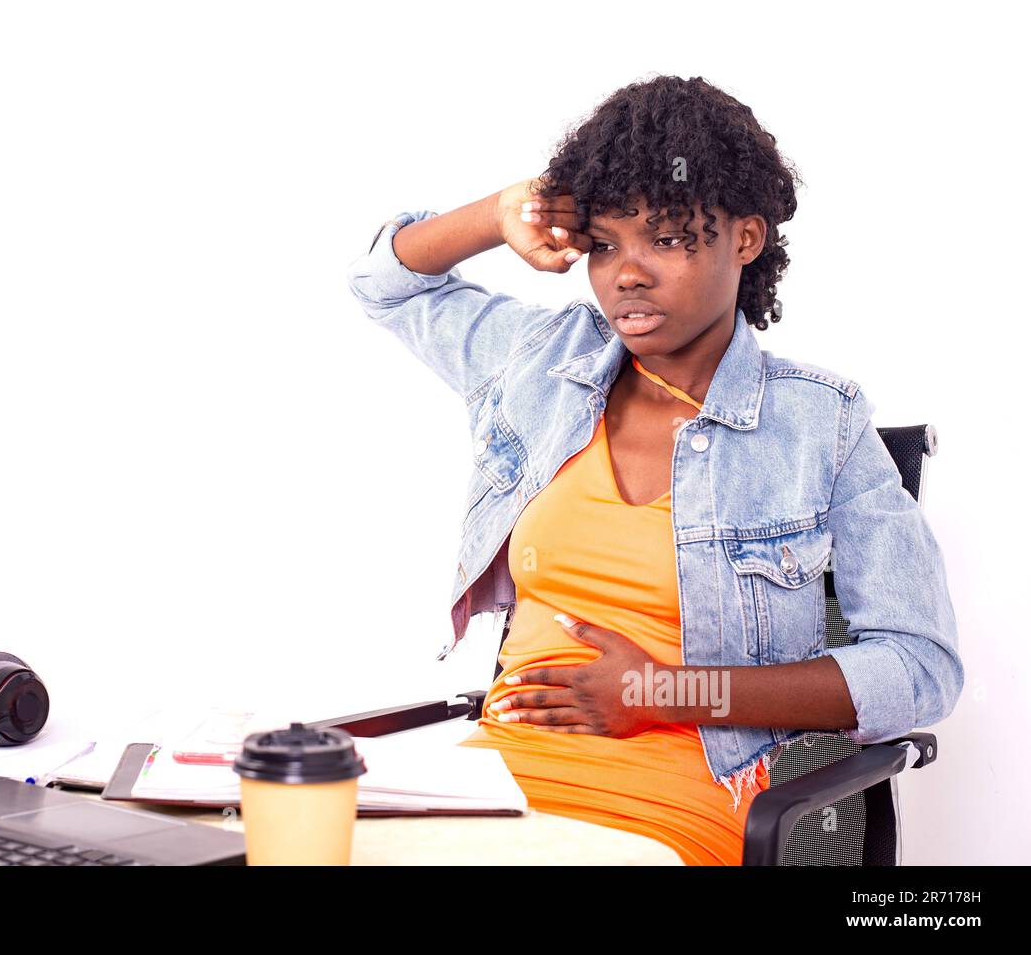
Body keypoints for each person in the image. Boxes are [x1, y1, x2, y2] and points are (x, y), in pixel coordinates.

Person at [345, 75, 963, 865]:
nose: (625, 273)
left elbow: (919, 667)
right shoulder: (542, 363)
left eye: (666, 238)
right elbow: (384, 284)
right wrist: (504, 214)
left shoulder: (821, 424)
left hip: (664, 811)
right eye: (603, 243)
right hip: (484, 795)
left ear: (745, 238)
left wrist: (671, 690)